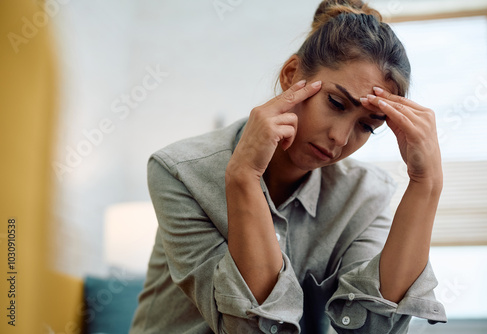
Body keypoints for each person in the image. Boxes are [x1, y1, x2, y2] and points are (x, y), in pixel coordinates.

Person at [130, 0, 447, 333]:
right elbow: (248, 328)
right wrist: (243, 177)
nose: (340, 138)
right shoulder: (181, 171)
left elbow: (370, 328)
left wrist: (426, 183)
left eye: (367, 126)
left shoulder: (366, 195)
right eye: (336, 103)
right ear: (291, 74)